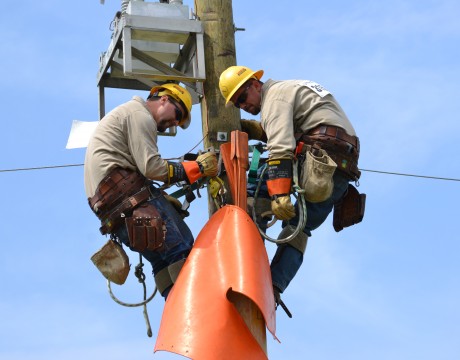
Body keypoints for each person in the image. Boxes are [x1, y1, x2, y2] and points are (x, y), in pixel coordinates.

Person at [219, 66, 363, 312]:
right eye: (237, 104)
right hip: (341, 165)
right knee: (300, 227)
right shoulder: (290, 89)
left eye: (242, 98)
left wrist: (279, 194)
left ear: (255, 84)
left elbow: (281, 149)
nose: (242, 106)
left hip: (317, 158)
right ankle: (273, 287)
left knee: (254, 190)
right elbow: (298, 127)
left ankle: (247, 265)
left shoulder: (275, 96)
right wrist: (259, 131)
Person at [84, 83, 218, 299]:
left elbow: (139, 170)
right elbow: (152, 167)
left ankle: (176, 317)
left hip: (117, 213)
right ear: (164, 99)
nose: (175, 122)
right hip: (129, 200)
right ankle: (200, 310)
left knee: (161, 261)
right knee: (182, 249)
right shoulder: (140, 115)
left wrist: (160, 197)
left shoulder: (126, 114)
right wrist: (197, 168)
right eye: (178, 114)